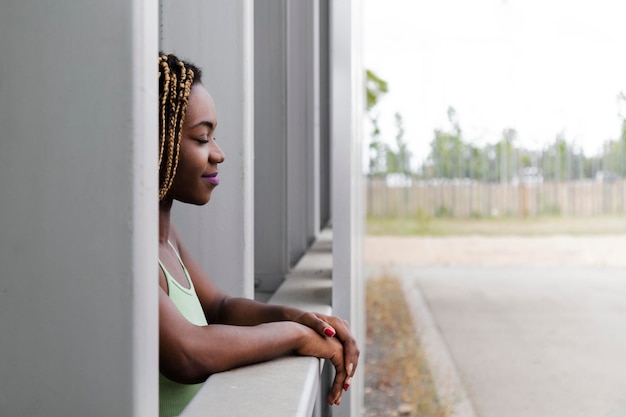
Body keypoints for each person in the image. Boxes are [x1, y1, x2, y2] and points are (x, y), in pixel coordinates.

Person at [157, 53, 359, 417]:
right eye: (202, 138)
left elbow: (220, 308)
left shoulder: (168, 239)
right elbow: (188, 353)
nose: (218, 154)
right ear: (157, 143)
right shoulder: (128, 252)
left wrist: (301, 318)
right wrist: (295, 336)